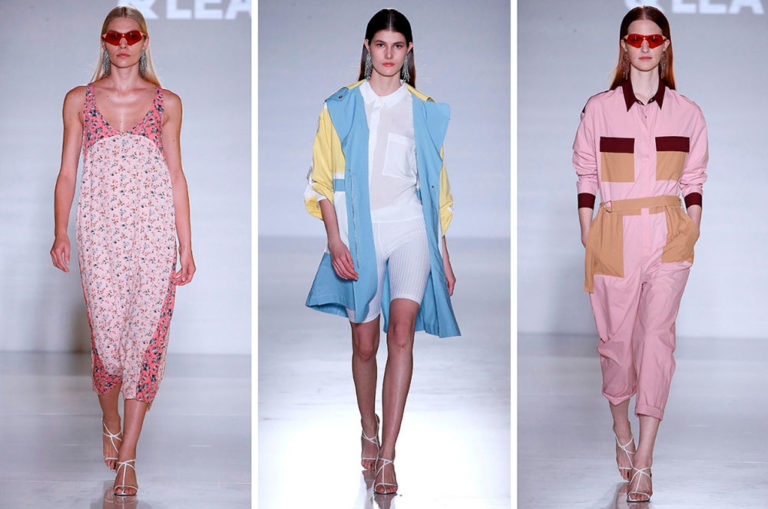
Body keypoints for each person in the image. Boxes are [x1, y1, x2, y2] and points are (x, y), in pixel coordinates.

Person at [303, 8, 460, 496]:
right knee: (365, 345)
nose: (388, 54)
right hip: (360, 233)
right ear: (367, 48)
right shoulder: (340, 106)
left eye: (397, 46)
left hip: (411, 229)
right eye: (380, 45)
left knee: (402, 335)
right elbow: (321, 180)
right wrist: (335, 240)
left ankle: (388, 454)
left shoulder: (424, 110)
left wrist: (443, 251)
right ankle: (367, 427)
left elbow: (435, 188)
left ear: (408, 51)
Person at [49, 6, 195, 497]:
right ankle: (109, 416)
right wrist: (60, 231)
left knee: (145, 344)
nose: (124, 44)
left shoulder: (168, 103)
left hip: (153, 234)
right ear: (104, 41)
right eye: (115, 36)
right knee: (109, 346)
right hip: (99, 233)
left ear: (145, 41)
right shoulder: (79, 100)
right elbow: (67, 171)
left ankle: (128, 456)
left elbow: (176, 176)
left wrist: (186, 245)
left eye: (133, 36)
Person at [572, 6, 707, 503]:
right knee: (615, 345)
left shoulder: (688, 113)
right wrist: (588, 231)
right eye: (636, 39)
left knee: (656, 343)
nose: (645, 47)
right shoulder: (600, 108)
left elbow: (694, 179)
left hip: (669, 233)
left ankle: (645, 459)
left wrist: (692, 228)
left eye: (654, 40)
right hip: (614, 232)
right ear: (624, 46)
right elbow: (586, 170)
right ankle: (621, 431)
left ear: (666, 45)